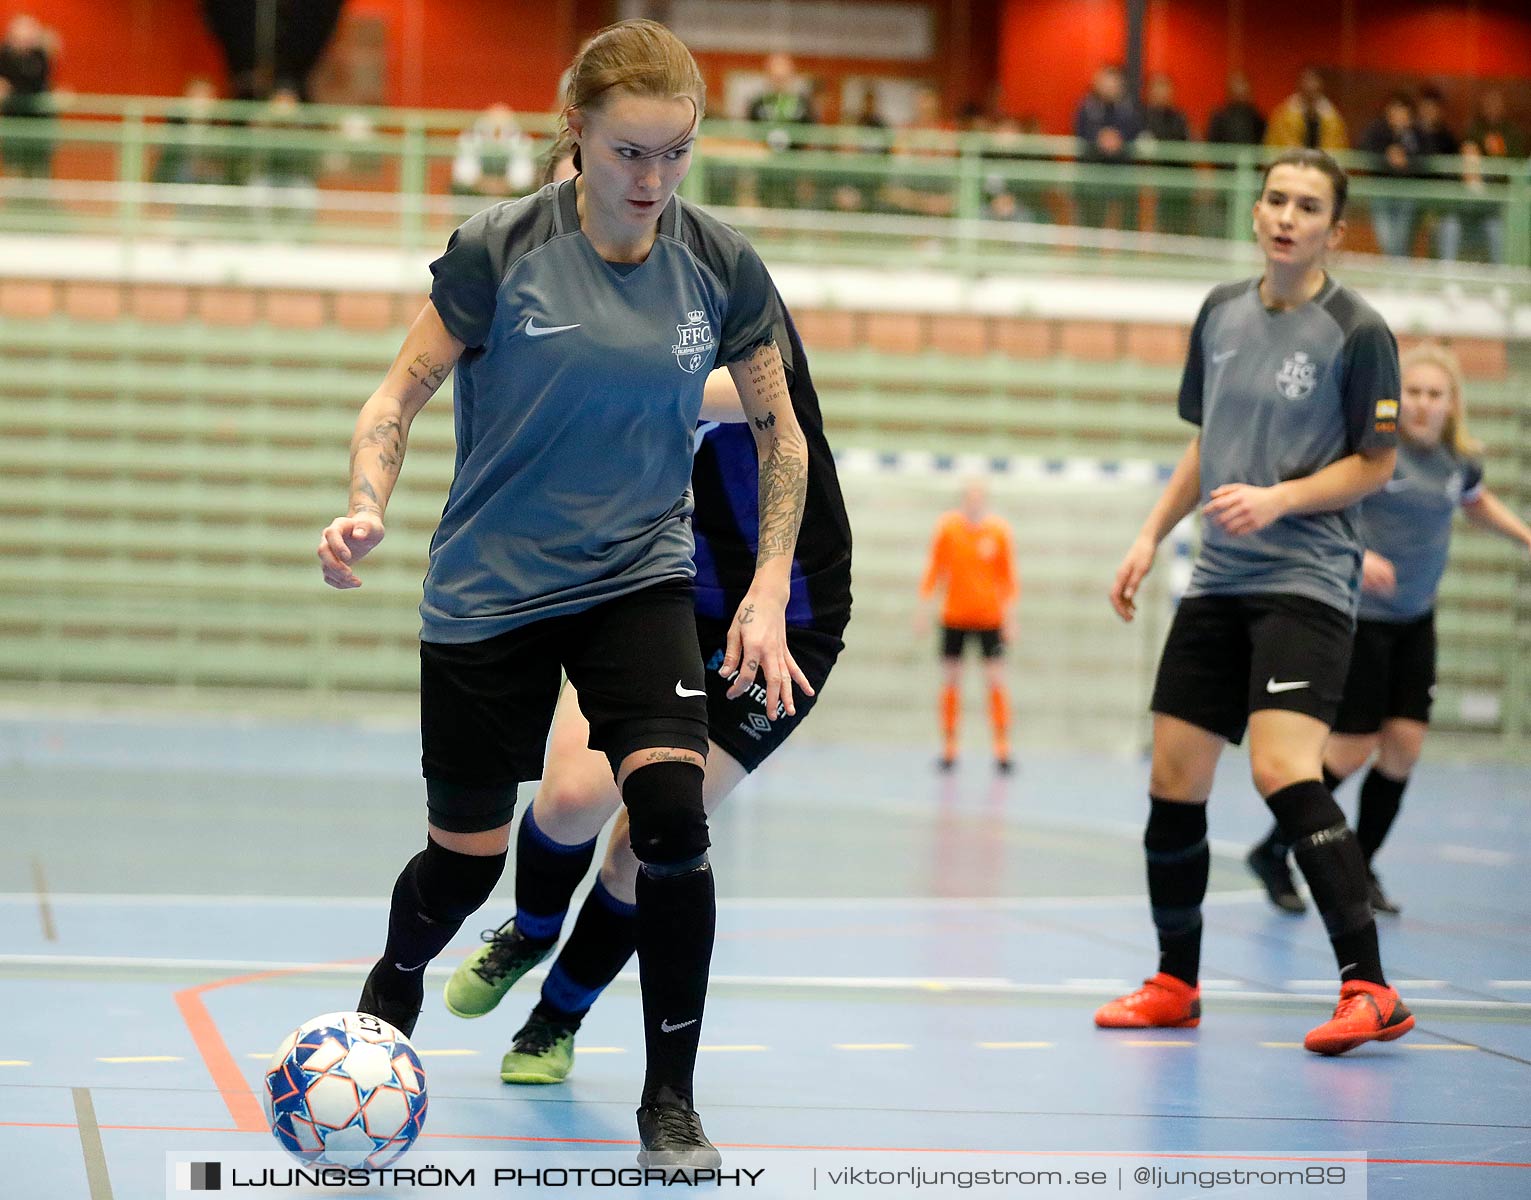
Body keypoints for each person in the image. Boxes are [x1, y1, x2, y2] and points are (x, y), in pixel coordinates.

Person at [314, 19, 810, 1169]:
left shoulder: (721, 263)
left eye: (676, 152)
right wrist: (366, 503)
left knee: (673, 828)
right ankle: (391, 993)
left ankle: (669, 1103)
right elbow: (398, 394)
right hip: (490, 590)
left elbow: (782, 432)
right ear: (575, 134)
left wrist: (769, 577)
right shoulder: (498, 249)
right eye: (631, 152)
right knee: (464, 862)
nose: (654, 179)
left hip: (638, 574)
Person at [440, 287, 851, 1093]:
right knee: (565, 802)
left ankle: (558, 1015)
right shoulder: (553, 321)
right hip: (646, 596)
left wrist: (592, 375)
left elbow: (760, 392)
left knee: (646, 842)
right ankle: (528, 930)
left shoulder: (712, 281)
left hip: (780, 618)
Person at [1094, 149, 1413, 1056]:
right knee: (1172, 779)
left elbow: (1375, 463)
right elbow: (1209, 441)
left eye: (1306, 206)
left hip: (1304, 581)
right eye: (1275, 198)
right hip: (1217, 582)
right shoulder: (1219, 313)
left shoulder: (1358, 331)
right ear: (1256, 212)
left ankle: (1369, 987)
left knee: (1282, 771)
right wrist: (1149, 533)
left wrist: (1277, 497)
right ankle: (1173, 983)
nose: (1285, 215)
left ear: (1331, 231)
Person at [1246, 343, 1531, 916]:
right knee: (1350, 751)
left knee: (1404, 747)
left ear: (1452, 404)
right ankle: (1275, 849)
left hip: (1415, 621)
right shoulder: (1376, 455)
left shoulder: (1459, 462)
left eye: (1436, 395)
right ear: (1398, 400)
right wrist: (1360, 555)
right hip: (1359, 622)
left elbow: (1474, 502)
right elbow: (1320, 506)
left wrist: (1524, 536)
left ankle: (1363, 864)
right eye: (1415, 393)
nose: (1423, 405)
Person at [917, 481, 1018, 773]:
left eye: (979, 498)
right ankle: (949, 748)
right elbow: (934, 570)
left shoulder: (998, 532)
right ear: (963, 501)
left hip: (989, 619)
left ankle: (1002, 748)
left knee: (995, 680)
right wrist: (924, 610)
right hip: (954, 618)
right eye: (969, 498)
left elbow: (1008, 580)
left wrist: (1010, 619)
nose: (974, 503)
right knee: (950, 680)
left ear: (984, 501)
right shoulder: (948, 529)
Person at [1073, 64, 1142, 231]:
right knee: (1090, 220)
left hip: (1121, 170)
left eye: (1114, 83)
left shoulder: (1129, 107)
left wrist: (1120, 138)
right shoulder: (1086, 106)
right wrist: (1099, 137)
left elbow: (1135, 129)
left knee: (1128, 219)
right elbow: (1081, 130)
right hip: (1091, 170)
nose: (1110, 87)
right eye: (1106, 82)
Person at [1358, 93, 1421, 258]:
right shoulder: (1377, 129)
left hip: (1407, 193)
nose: (1399, 115)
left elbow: (1426, 156)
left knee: (1401, 238)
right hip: (1381, 191)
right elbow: (1364, 148)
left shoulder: (1416, 133)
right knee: (1387, 238)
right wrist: (1387, 156)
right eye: (1395, 110)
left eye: (1403, 111)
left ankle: (1398, 276)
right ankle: (1397, 274)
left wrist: (1406, 158)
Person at [0, 13, 60, 179]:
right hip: (14, 120)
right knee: (15, 165)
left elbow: (39, 83)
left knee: (39, 165)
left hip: (39, 120)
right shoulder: (4, 56)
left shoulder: (40, 55)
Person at [1265, 68, 1347, 152]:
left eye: (1314, 84)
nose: (1310, 87)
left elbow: (1336, 148)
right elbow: (1279, 144)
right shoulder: (1284, 115)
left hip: (1321, 162)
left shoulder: (1333, 120)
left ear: (1321, 88)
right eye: (1307, 84)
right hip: (1292, 162)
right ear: (1300, 87)